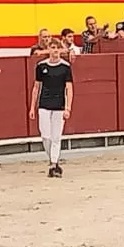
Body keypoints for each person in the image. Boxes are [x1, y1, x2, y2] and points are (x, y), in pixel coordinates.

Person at [29, 39, 73, 178]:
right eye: (53, 48)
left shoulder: (65, 67)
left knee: (56, 137)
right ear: (48, 49)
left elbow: (69, 88)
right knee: (45, 135)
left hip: (59, 105)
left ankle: (53, 164)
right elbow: (36, 87)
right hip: (44, 104)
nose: (55, 50)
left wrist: (68, 108)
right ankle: (53, 160)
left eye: (57, 48)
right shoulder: (41, 66)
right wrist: (32, 107)